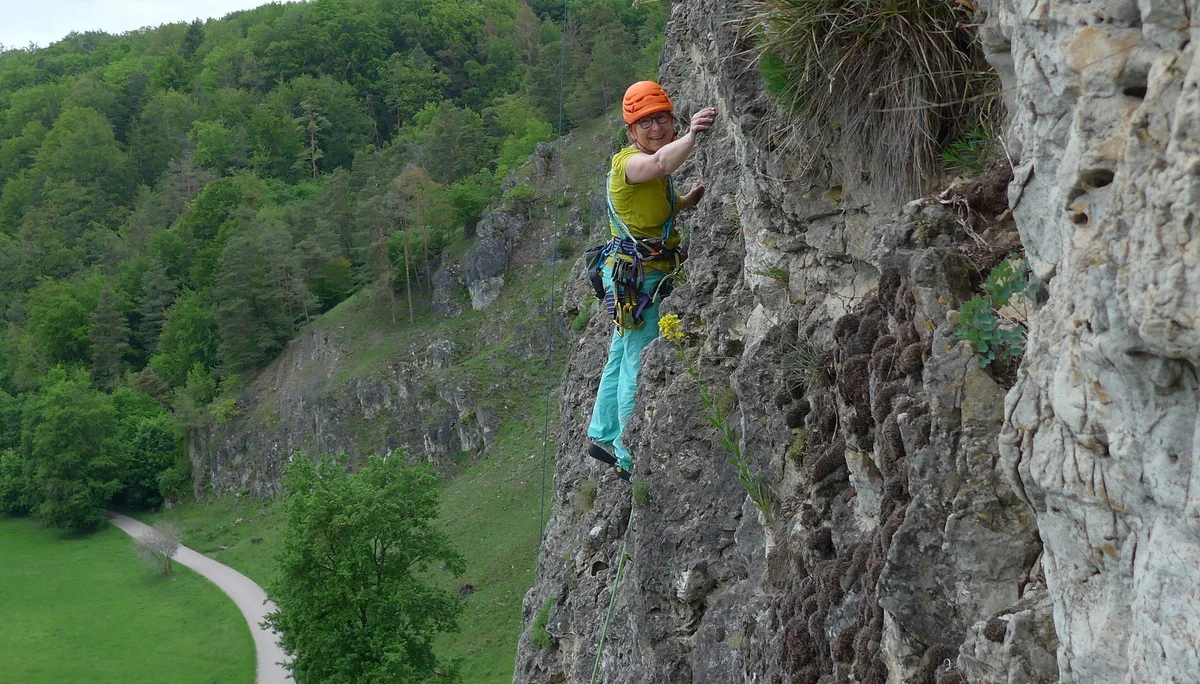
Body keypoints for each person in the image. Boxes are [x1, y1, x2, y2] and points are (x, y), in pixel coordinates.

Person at [586, 80, 717, 481]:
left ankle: (602, 433)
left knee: (620, 351)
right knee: (637, 358)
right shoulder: (626, 164)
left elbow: (651, 202)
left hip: (631, 274)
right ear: (631, 131)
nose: (655, 127)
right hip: (639, 280)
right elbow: (657, 166)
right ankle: (626, 450)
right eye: (645, 122)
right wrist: (694, 135)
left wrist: (684, 203)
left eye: (662, 119)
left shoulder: (645, 165)